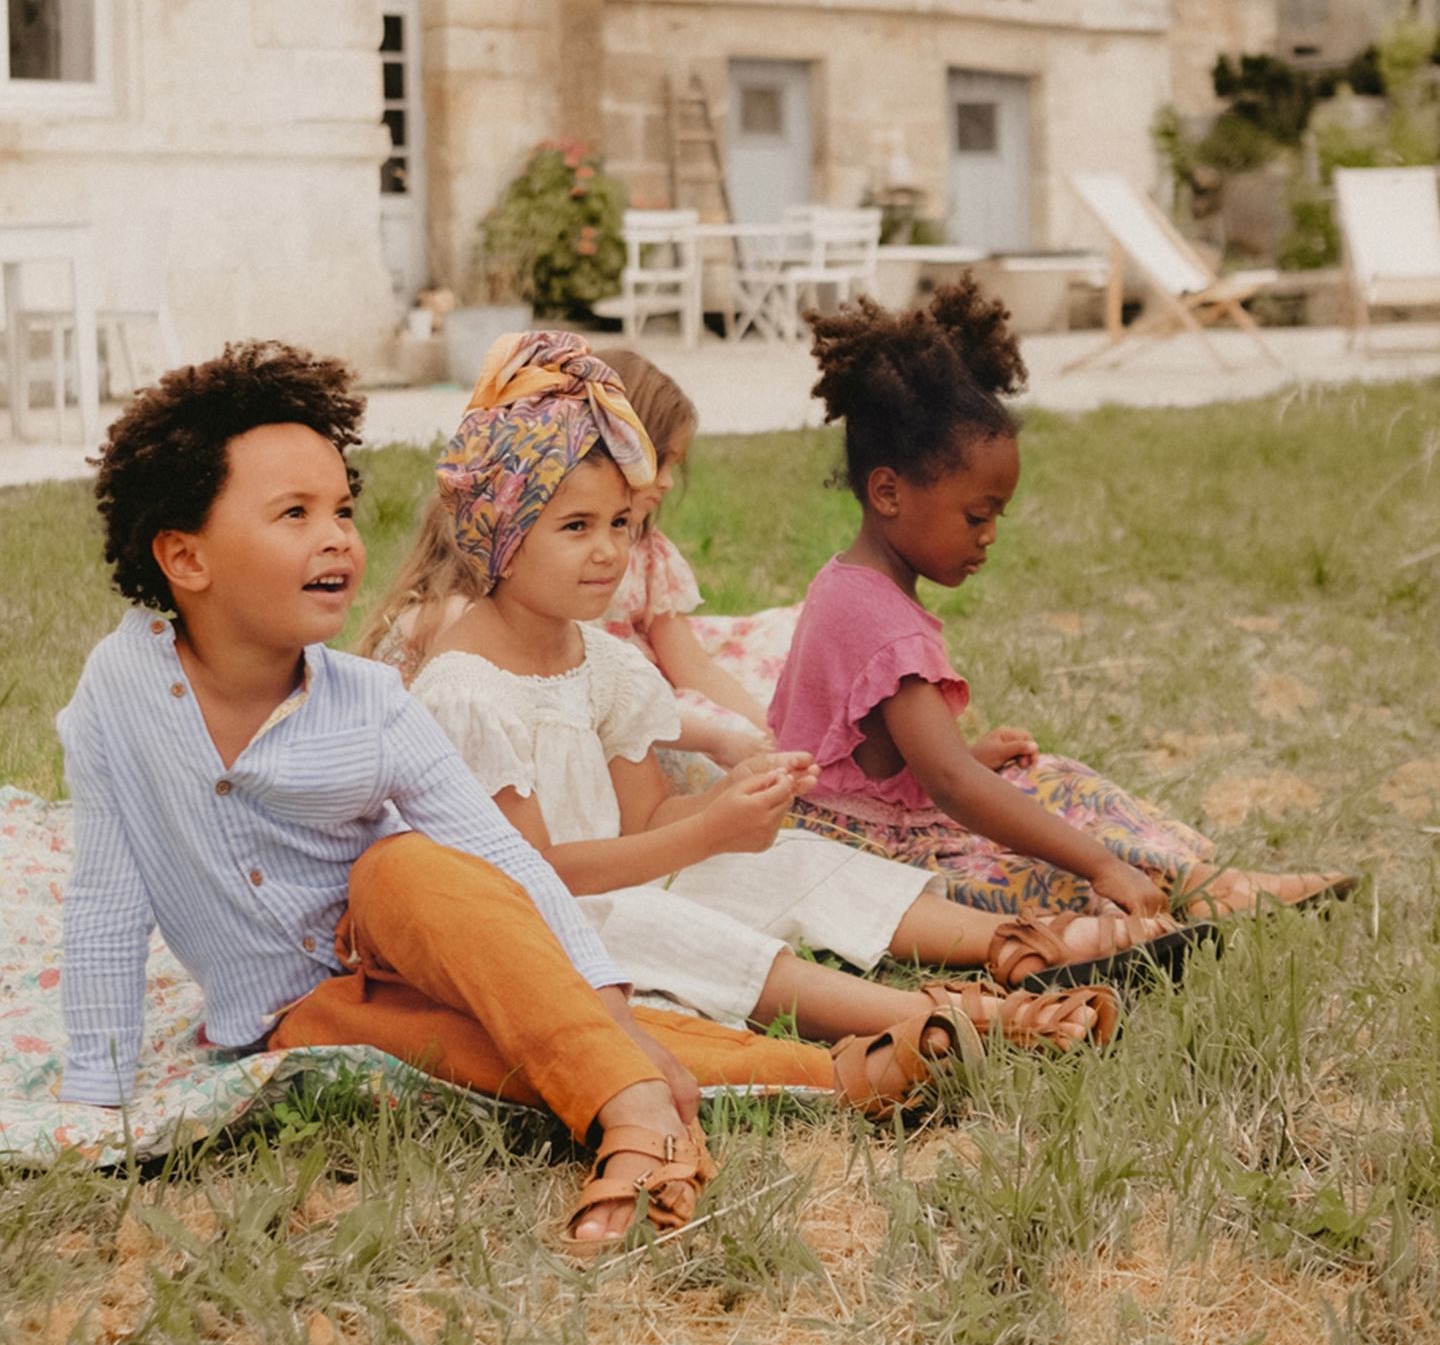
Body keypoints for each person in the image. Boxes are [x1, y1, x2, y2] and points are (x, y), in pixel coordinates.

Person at [57, 340, 790, 1253]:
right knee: (513, 1047)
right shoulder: (118, 693)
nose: (338, 538)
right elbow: (105, 900)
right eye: (295, 514)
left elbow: (503, 858)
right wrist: (98, 1087)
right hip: (304, 1010)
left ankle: (635, 1111)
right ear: (185, 558)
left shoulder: (371, 702)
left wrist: (601, 1007)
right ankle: (840, 1074)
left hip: (430, 933)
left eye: (343, 510)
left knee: (398, 868)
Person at [362, 330, 1184, 1056]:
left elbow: (648, 819)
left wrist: (732, 806)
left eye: (622, 524)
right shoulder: (468, 691)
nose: (610, 552)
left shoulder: (603, 667)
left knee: (793, 859)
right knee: (670, 927)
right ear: (497, 534)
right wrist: (704, 836)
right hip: (542, 923)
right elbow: (537, 875)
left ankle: (1031, 943)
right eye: (576, 527)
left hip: (623, 875)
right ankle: (950, 1016)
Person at [770, 279, 1355, 939]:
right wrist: (1100, 862)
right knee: (1053, 871)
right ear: (887, 491)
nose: (990, 534)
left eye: (996, 515)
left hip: (867, 818)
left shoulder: (849, 581)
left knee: (1059, 780)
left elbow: (893, 754)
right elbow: (953, 785)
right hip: (875, 856)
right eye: (975, 515)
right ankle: (1182, 892)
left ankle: (1201, 880)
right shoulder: (880, 622)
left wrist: (964, 755)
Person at [588, 346, 795, 769]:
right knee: (703, 747)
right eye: (659, 463)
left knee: (796, 635)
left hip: (662, 679)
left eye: (673, 466)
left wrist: (774, 733)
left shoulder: (645, 550)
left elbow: (690, 666)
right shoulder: (550, 557)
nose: (666, 483)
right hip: (624, 703)